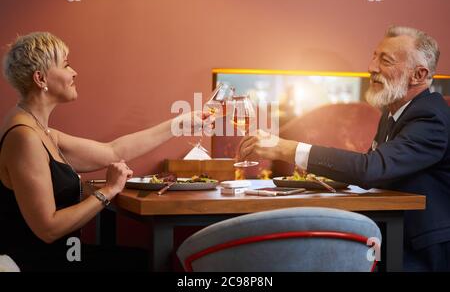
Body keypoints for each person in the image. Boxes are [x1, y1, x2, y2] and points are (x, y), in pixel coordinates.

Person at [238, 26, 450, 271]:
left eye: (385, 60)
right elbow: (375, 170)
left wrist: (289, 149)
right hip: (390, 238)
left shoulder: (430, 117)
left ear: (418, 74)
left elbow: (372, 169)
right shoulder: (393, 112)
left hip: (424, 252)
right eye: (374, 56)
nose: (371, 67)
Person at [0, 32, 207, 271]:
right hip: (41, 263)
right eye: (66, 65)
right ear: (40, 78)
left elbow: (113, 151)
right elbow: (48, 228)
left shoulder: (41, 131)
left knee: (143, 260)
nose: (74, 72)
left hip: (63, 254)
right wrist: (108, 190)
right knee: (147, 264)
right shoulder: (24, 138)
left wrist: (181, 123)